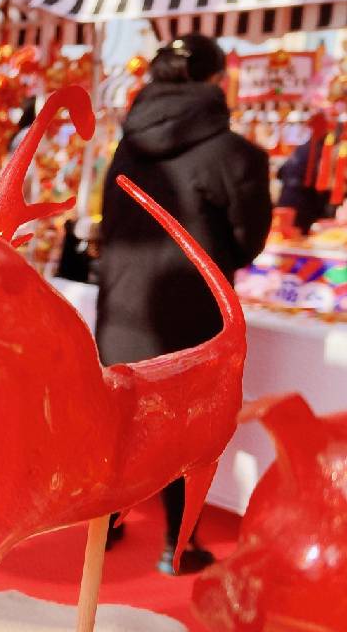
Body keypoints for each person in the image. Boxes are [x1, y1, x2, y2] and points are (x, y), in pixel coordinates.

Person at [96, 34, 272, 576]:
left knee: (122, 413)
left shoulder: (128, 144)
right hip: (195, 304)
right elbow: (248, 242)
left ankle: (106, 524)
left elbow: (110, 222)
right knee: (185, 423)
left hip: (124, 300)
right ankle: (179, 542)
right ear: (217, 80)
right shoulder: (236, 155)